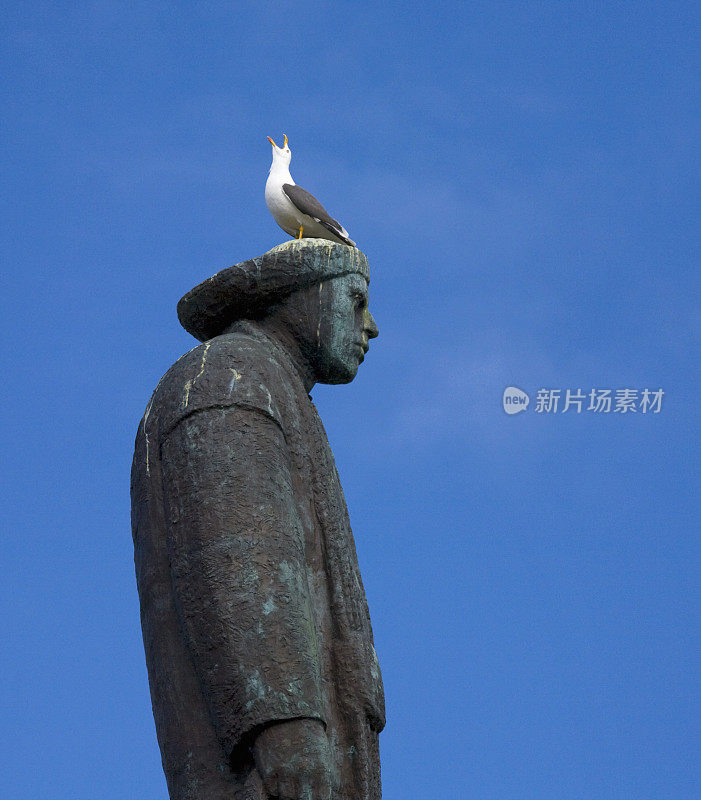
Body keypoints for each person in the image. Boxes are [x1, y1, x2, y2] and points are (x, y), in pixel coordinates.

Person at [131, 239, 385, 800]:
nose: (370, 327)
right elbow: (235, 565)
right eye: (356, 300)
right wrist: (285, 732)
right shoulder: (230, 378)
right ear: (299, 298)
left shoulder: (270, 387)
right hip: (279, 764)